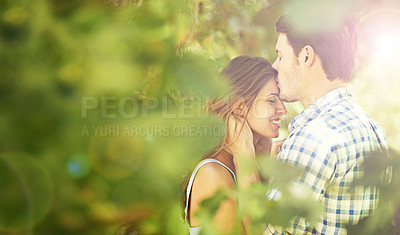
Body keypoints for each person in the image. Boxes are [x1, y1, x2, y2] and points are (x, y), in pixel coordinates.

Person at [262, 13, 390, 234]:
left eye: (281, 56)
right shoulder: (372, 129)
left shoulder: (313, 138)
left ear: (306, 56)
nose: (275, 66)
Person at [184, 55, 287, 235]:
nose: (283, 110)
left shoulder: (242, 165)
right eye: (272, 100)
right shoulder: (214, 175)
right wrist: (245, 156)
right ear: (239, 106)